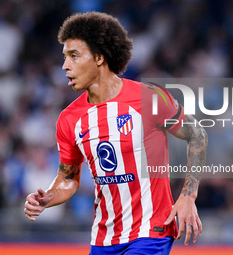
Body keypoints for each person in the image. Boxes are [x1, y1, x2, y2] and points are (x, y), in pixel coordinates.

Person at [24, 11, 208, 254]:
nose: (65, 66)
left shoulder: (149, 98)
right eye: (65, 57)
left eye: (74, 56)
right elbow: (68, 179)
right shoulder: (69, 119)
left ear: (99, 57)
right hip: (103, 239)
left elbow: (197, 134)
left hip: (150, 232)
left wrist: (188, 195)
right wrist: (48, 197)